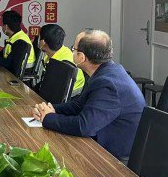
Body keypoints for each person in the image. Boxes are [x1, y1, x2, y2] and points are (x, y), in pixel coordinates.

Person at [31, 29, 145, 160]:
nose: (72, 51)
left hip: (114, 158)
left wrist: (48, 118)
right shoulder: (106, 72)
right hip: (100, 142)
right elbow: (78, 105)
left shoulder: (108, 84)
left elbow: (84, 126)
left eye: (74, 48)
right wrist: (50, 109)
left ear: (81, 57)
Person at [38, 24, 85, 93]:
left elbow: (54, 90)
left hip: (69, 95)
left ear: (43, 42)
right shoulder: (61, 51)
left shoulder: (61, 64)